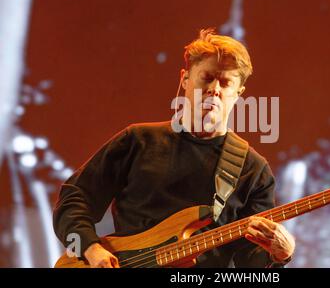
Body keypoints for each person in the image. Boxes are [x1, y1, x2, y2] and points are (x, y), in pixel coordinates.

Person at [53, 28, 296, 268]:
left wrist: (278, 256)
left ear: (238, 94)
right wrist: (91, 249)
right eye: (207, 77)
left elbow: (250, 265)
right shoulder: (138, 140)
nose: (214, 89)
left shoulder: (253, 170)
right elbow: (74, 199)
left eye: (225, 83)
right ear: (185, 79)